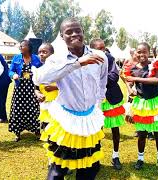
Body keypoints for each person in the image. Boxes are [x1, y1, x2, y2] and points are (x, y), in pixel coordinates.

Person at [33, 18, 107, 180]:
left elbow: (102, 82)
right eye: (68, 32)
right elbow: (40, 79)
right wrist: (77, 63)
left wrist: (98, 107)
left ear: (83, 32)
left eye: (77, 30)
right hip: (66, 121)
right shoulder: (56, 59)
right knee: (58, 170)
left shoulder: (100, 56)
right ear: (61, 36)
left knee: (89, 168)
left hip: (90, 121)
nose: (74, 34)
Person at [122, 42, 158, 173]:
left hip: (156, 103)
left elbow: (156, 80)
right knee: (142, 134)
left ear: (149, 52)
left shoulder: (154, 65)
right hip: (142, 103)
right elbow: (127, 80)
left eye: (144, 51)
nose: (141, 54)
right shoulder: (132, 68)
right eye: (139, 51)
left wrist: (135, 78)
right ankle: (140, 159)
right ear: (135, 53)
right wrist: (130, 88)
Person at [90, 38, 125, 170]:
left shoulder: (110, 58)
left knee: (115, 129)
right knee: (96, 131)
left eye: (104, 48)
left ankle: (115, 156)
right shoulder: (87, 59)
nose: (103, 51)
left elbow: (114, 77)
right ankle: (95, 158)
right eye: (99, 49)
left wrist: (96, 79)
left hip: (111, 98)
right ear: (92, 49)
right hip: (94, 100)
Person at [8, 40, 43, 142]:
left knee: (34, 108)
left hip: (32, 88)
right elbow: (10, 70)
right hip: (20, 88)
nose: (20, 47)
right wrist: (13, 75)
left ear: (28, 47)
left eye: (22, 46)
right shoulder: (16, 58)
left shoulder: (36, 58)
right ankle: (17, 132)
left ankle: (37, 131)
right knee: (18, 109)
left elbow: (42, 71)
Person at [35, 43, 58, 130]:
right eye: (39, 52)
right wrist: (38, 94)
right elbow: (36, 88)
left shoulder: (58, 69)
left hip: (58, 104)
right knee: (46, 128)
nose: (41, 54)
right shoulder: (38, 71)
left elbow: (69, 86)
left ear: (52, 54)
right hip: (45, 104)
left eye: (44, 52)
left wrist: (54, 88)